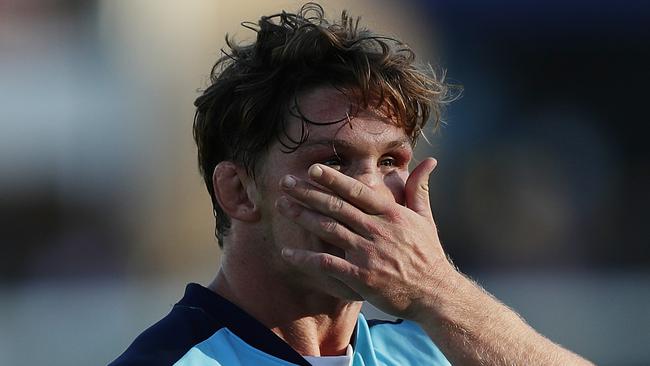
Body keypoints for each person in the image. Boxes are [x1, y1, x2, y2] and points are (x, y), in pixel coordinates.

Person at [110, 3, 593, 365]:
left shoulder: (432, 347)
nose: (370, 191)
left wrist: (440, 292)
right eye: (333, 161)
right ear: (238, 191)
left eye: (390, 160)